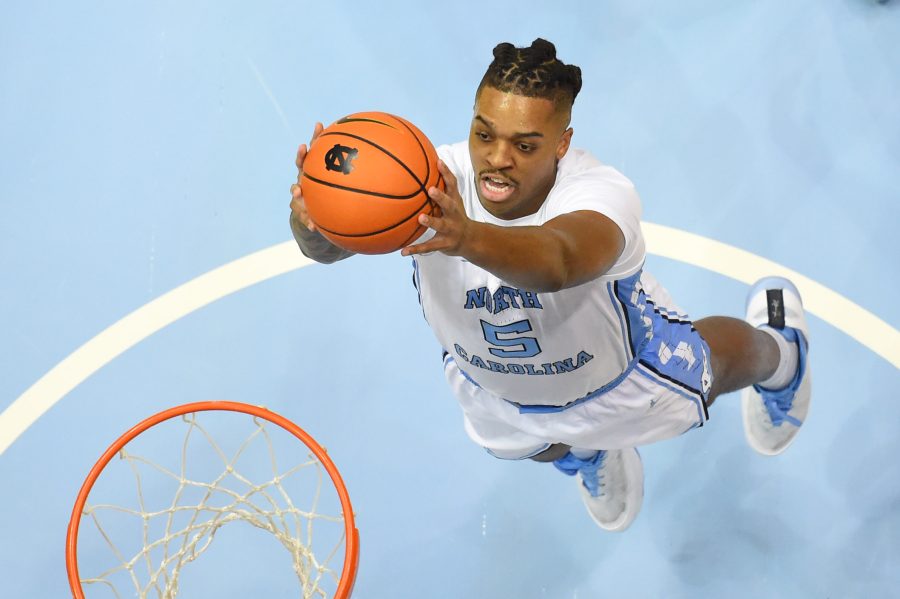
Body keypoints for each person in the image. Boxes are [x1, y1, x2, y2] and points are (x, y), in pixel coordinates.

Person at [288, 39, 811, 532]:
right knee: (537, 446)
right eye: (484, 134)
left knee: (715, 369)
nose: (497, 158)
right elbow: (327, 250)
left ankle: (784, 355)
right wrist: (314, 221)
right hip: (489, 382)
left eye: (524, 144)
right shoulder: (424, 180)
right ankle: (590, 452)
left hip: (620, 377)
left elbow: (559, 261)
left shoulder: (600, 194)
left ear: (561, 144)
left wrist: (467, 237)